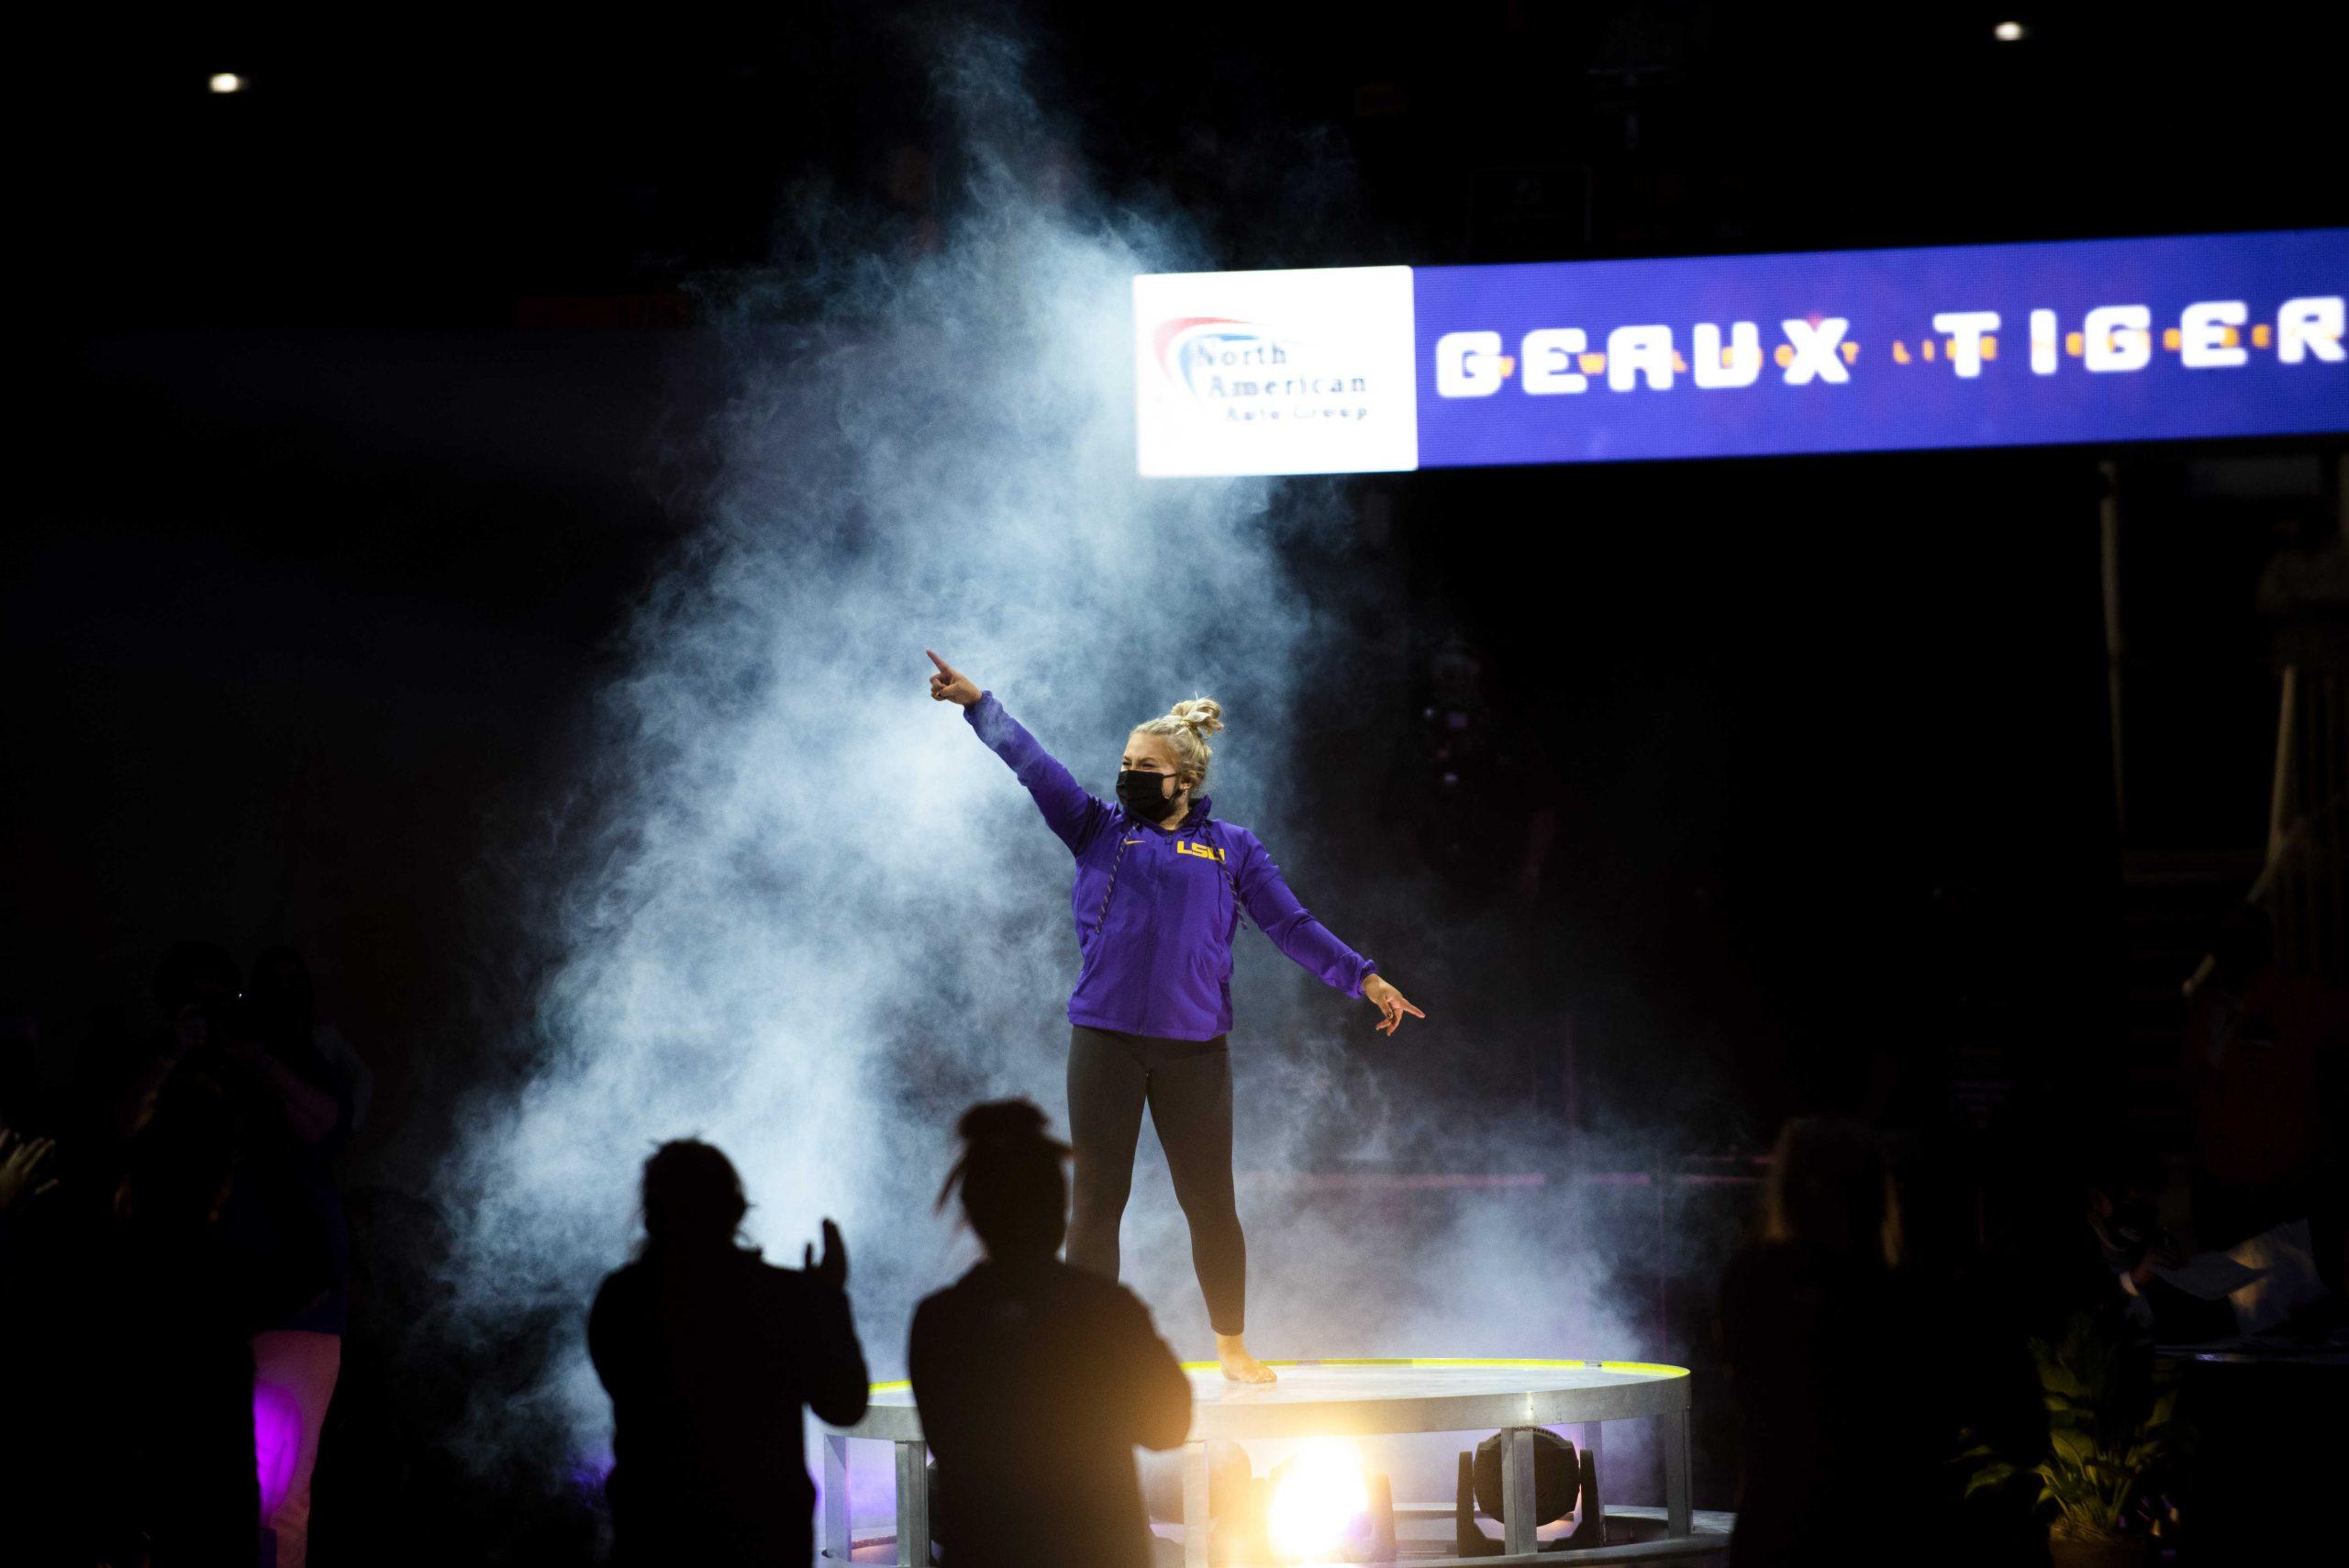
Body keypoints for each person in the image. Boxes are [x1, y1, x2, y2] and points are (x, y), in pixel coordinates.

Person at [928, 650, 1424, 1383]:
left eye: (1144, 764)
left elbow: (1292, 926)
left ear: (1185, 781)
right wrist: (979, 704)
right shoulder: (1095, 826)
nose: (1127, 772)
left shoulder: (1232, 849)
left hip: (1194, 1050)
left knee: (1210, 1203)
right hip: (1105, 1039)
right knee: (1098, 1200)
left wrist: (1366, 978)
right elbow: (1036, 766)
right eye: (1125, 760)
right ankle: (1089, 1349)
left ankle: (1230, 1345)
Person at [909, 1100, 1191, 1568]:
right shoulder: (1107, 1311)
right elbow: (1168, 1425)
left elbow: (949, 1442)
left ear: (973, 1215)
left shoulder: (939, 1321)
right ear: (1059, 1209)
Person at [587, 1140, 869, 1567]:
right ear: (736, 1211)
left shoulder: (622, 1298)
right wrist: (827, 1300)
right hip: (765, 1541)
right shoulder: (783, 1298)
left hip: (654, 1538)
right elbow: (844, 1405)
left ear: (650, 1218)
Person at [1717, 1118, 1960, 1566]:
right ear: (1875, 1193)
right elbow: (2020, 1436)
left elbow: (1747, 1403)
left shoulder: (1752, 1279)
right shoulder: (1909, 1295)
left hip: (1777, 1524)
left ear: (1786, 1190)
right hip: (1886, 1526)